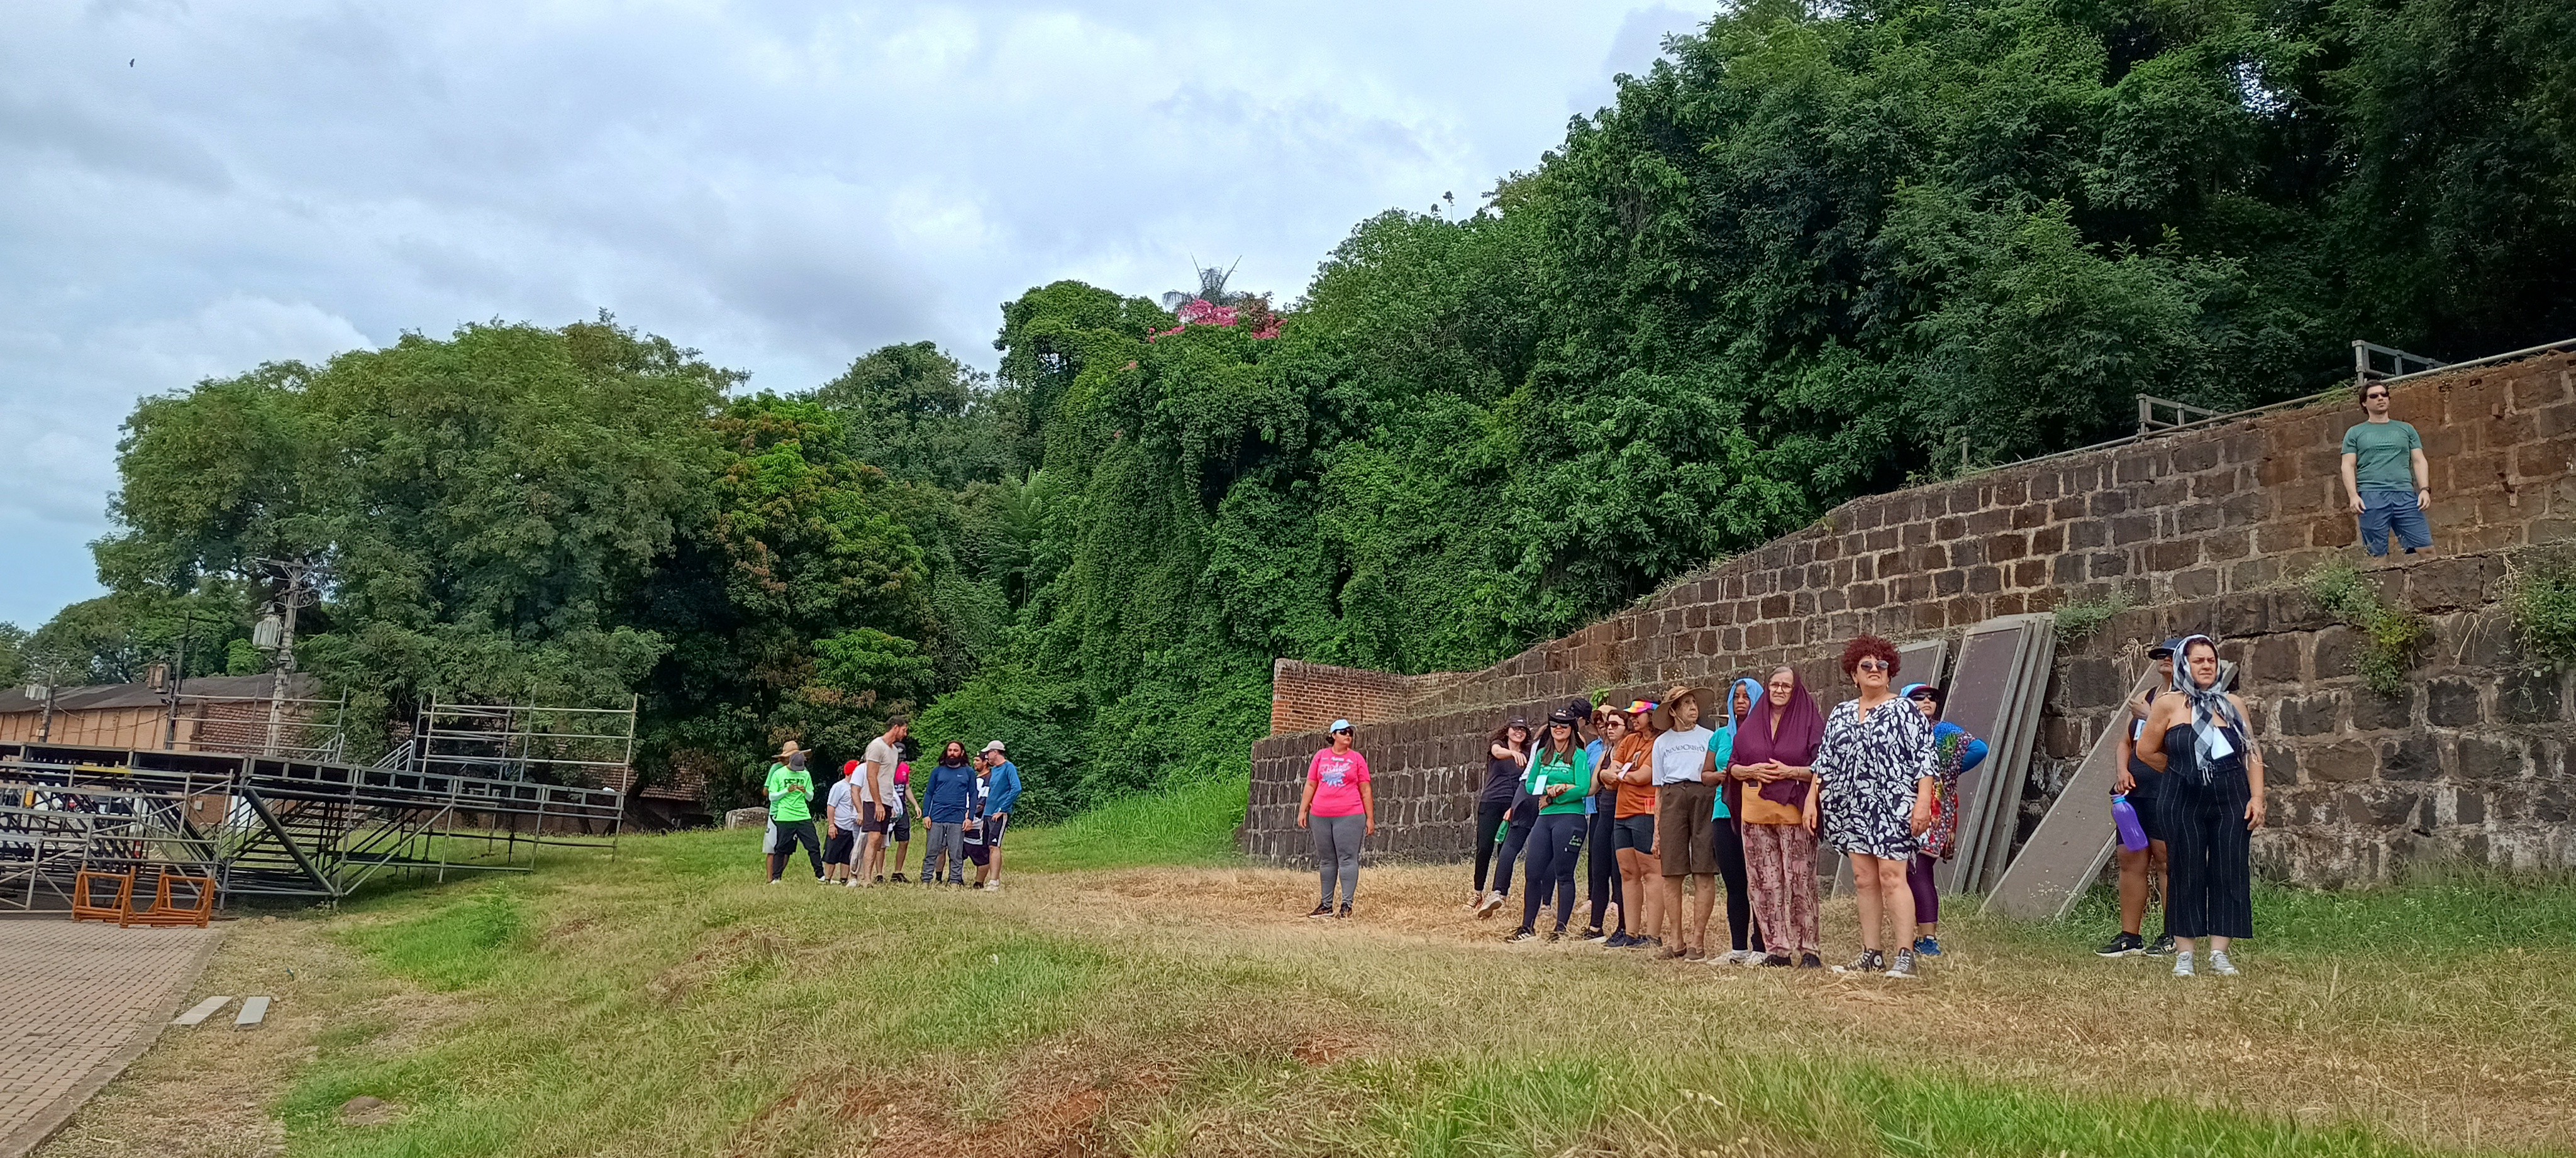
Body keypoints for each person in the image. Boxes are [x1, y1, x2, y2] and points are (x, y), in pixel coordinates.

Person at [2136, 634, 2265, 978]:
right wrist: (2184, 772)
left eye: (2211, 660)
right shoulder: (2169, 704)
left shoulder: (2233, 704)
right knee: (2186, 870)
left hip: (2230, 797)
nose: (2207, 666)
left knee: (2229, 869)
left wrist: (2257, 797)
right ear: (2184, 665)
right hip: (2182, 799)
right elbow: (2145, 751)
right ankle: (2185, 954)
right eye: (2199, 660)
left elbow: (2252, 752)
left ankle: (2220, 953)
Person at [1816, 636, 1940, 979]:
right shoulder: (1840, 713)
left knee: (1892, 878)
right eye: (1866, 666)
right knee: (1863, 878)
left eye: (1881, 666)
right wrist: (1813, 802)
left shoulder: (1904, 710)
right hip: (1851, 807)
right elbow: (1824, 763)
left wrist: (1923, 804)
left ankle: (1905, 954)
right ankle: (1871, 953)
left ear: (1890, 673)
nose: (1874, 671)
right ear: (1854, 674)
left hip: (1894, 805)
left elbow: (1926, 760)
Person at [1731, 668, 1823, 968]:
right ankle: (1777, 949)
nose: (1779, 690)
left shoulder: (1808, 720)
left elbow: (1822, 766)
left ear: (1795, 690)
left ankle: (1808, 949)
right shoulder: (1753, 723)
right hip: (1755, 812)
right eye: (1774, 685)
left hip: (1794, 811)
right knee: (1763, 882)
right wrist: (1747, 771)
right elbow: (1733, 764)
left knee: (1799, 881)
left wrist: (1790, 772)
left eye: (1786, 686)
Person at [2101, 641, 2180, 958]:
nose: (2164, 660)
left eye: (2172, 656)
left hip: (2167, 789)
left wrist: (2151, 716)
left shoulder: (2188, 701)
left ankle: (2173, 934)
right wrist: (2122, 771)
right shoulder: (2148, 696)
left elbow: (2183, 741)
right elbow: (2124, 742)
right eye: (2161, 655)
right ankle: (2130, 936)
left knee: (2166, 860)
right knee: (2131, 859)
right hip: (2135, 793)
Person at [1900, 683, 1986, 957]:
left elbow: (1979, 749)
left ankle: (1928, 938)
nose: (1927, 701)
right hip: (1905, 809)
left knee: (1920, 871)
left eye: (1932, 697)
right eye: (1918, 697)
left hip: (1932, 811)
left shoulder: (1942, 731)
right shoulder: (1900, 732)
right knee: (1908, 873)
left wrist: (1944, 773)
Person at [1506, 708, 1593, 942]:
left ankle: (1561, 929)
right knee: (1533, 871)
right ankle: (1527, 927)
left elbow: (1583, 788)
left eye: (1564, 725)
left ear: (1571, 729)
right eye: (1554, 724)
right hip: (1545, 818)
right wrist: (1554, 791)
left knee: (1564, 873)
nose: (1558, 728)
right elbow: (1531, 785)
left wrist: (1558, 795)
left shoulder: (1578, 756)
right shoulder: (1544, 754)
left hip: (1570, 817)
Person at [1650, 686, 1723, 961]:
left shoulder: (1710, 737)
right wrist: (1657, 833)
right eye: (1686, 703)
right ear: (1673, 711)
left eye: (1694, 702)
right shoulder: (1662, 743)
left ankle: (1698, 942)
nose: (1693, 708)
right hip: (1671, 798)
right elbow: (1658, 790)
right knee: (1672, 872)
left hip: (1703, 796)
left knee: (1703, 868)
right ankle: (1676, 939)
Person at [1702, 684, 1765, 966]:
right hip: (1723, 812)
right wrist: (1723, 775)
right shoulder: (1719, 737)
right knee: (1735, 883)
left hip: (1755, 812)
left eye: (1746, 696)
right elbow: (1704, 775)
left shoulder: (1766, 733)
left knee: (1760, 882)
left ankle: (1762, 947)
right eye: (1735, 697)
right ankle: (1738, 948)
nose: (1741, 702)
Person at [2341, 379, 2433, 558]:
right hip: (2371, 496)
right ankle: (2379, 586)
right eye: (2374, 396)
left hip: (2405, 496)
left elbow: (2419, 460)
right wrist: (2353, 496)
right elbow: (2348, 465)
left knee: (2427, 550)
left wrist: (2424, 490)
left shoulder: (2406, 429)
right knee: (2377, 557)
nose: (2380, 398)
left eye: (2384, 395)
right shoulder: (2355, 433)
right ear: (2364, 403)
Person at [1296, 719, 1375, 918]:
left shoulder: (1357, 759)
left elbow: (1365, 790)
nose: (1348, 735)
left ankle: (1346, 906)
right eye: (1343, 732)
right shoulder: (1321, 757)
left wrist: (1370, 818)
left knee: (1347, 859)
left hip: (1350, 814)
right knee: (1327, 860)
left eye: (1350, 732)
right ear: (1333, 735)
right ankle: (1326, 904)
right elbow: (1311, 784)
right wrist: (1303, 809)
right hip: (1321, 816)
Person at [1602, 699, 1662, 950]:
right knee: (1628, 872)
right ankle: (1632, 932)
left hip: (1645, 811)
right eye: (1631, 715)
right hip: (1622, 813)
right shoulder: (1628, 741)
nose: (1633, 719)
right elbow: (1606, 775)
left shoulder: (1659, 742)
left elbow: (1642, 776)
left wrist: (1617, 776)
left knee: (1651, 871)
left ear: (1653, 715)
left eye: (1639, 715)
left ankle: (1653, 935)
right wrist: (1615, 775)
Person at [1473, 718, 1533, 918]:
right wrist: (1513, 753)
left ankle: (1500, 894)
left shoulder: (1527, 755)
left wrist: (1515, 807)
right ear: (1507, 731)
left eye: (1523, 730)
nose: (1519, 732)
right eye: (1515, 728)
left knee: (1505, 851)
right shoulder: (1498, 747)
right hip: (1491, 802)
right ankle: (1477, 892)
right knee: (1484, 848)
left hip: (1512, 806)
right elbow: (1497, 753)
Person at [1581, 705, 1621, 941]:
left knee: (1620, 871)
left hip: (1623, 813)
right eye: (1605, 724)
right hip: (1602, 811)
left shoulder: (1626, 749)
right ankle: (1596, 926)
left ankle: (1624, 927)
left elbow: (1616, 779)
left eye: (1614, 724)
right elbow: (1591, 786)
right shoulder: (1603, 752)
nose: (1607, 728)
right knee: (1598, 868)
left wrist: (1608, 777)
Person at [856, 717, 908, 887]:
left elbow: (889, 779)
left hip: (887, 799)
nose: (905, 734)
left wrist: (890, 803)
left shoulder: (894, 751)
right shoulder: (877, 746)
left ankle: (869, 875)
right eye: (904, 730)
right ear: (895, 728)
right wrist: (877, 803)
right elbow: (871, 776)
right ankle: (866, 879)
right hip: (873, 799)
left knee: (880, 840)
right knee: (874, 836)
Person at [763, 742, 825, 884]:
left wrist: (805, 791)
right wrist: (787, 791)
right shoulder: (778, 773)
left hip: (803, 815)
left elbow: (810, 797)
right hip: (785, 816)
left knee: (813, 845)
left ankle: (820, 875)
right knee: (781, 847)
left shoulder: (805, 774)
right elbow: (772, 796)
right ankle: (776, 877)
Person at [920, 741, 978, 885]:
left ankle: (955, 881)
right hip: (937, 817)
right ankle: (926, 880)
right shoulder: (938, 771)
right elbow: (929, 794)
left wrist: (970, 817)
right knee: (932, 850)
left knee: (956, 852)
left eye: (956, 750)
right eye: (950, 750)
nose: (952, 753)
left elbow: (973, 795)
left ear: (962, 753)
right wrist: (926, 815)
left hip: (958, 818)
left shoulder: (968, 772)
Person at [977, 741, 1022, 891]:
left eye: (988, 753)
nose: (987, 756)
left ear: (995, 752)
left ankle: (994, 882)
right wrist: (984, 816)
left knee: (994, 846)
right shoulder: (995, 770)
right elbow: (991, 794)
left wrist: (1003, 809)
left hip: (999, 814)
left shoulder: (1009, 768)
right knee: (988, 846)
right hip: (989, 814)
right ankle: (993, 879)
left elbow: (1016, 788)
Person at [824, 761, 860, 885]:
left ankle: (844, 879)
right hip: (839, 825)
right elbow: (831, 806)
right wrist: (831, 825)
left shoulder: (859, 788)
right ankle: (827, 878)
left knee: (848, 855)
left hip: (853, 827)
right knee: (832, 854)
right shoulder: (839, 787)